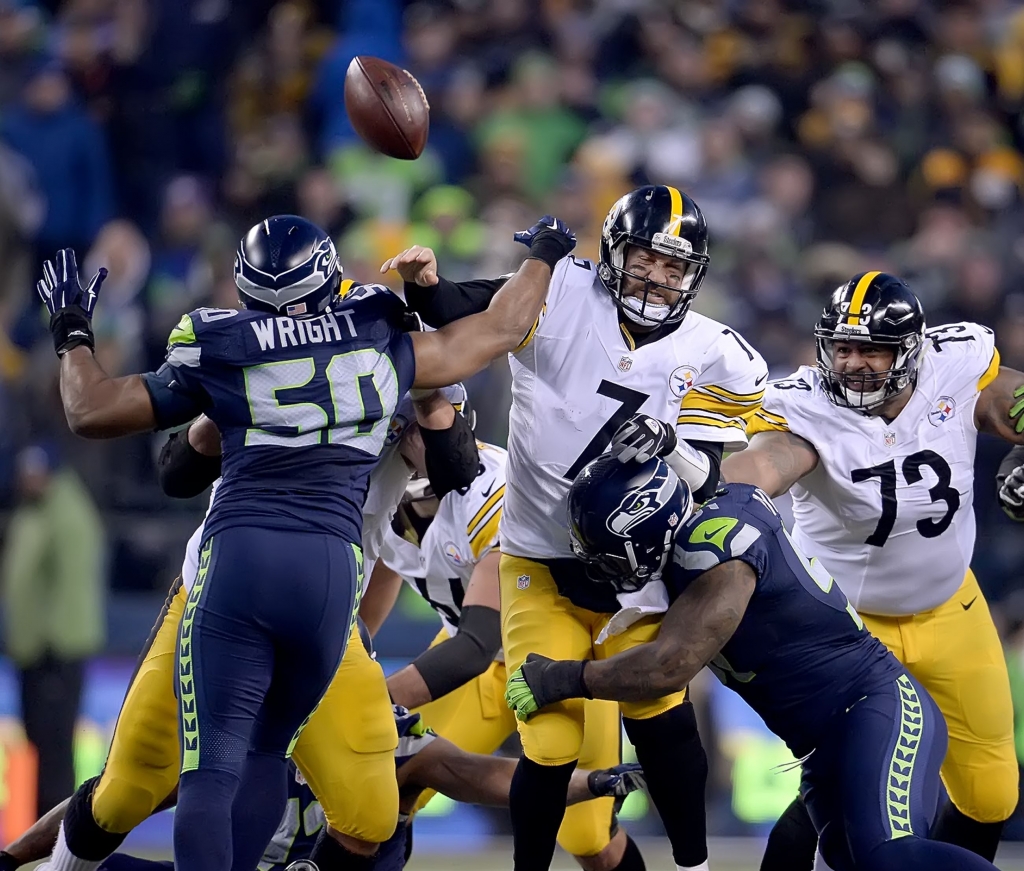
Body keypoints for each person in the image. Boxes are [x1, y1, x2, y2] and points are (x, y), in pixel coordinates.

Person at [35, 212, 575, 871]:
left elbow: (96, 414)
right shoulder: (380, 332)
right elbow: (500, 328)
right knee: (216, 763)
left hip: (242, 563)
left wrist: (72, 332)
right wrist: (545, 253)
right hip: (324, 575)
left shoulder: (228, 341)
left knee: (224, 771)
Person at [384, 184, 767, 871]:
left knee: (662, 706)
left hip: (639, 566)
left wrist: (670, 445)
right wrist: (428, 285)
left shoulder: (718, 352)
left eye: (674, 267)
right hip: (538, 558)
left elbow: (710, 476)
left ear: (694, 276)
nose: (657, 276)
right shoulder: (560, 288)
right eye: (646, 258)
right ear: (615, 253)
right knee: (549, 743)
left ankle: (694, 864)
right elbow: (461, 312)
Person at [505, 455, 1001, 871]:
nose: (603, 564)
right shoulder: (705, 525)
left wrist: (564, 677)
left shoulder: (718, 554)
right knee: (802, 856)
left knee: (888, 857)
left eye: (611, 552)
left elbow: (668, 666)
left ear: (650, 528)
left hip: (876, 709)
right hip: (826, 741)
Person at [719, 272, 1022, 866]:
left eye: (873, 349)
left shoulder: (954, 368)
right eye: (843, 347)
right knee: (832, 789)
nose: (854, 362)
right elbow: (769, 462)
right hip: (848, 632)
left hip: (951, 608)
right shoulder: (804, 405)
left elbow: (1010, 399)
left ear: (911, 350)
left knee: (991, 793)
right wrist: (707, 487)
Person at [1, 681, 647, 871]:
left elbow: (485, 776)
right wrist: (14, 855)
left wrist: (587, 783)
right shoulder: (242, 727)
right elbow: (109, 802)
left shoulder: (384, 734)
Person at [361, 433, 637, 871]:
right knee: (377, 792)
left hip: (556, 663)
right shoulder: (385, 488)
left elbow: (475, 645)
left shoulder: (497, 493)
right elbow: (386, 566)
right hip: (475, 658)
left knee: (589, 837)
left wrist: (363, 702)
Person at [0, 443, 105, 818]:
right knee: (41, 741)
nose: (28, 480)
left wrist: (53, 640)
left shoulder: (67, 516)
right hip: (33, 649)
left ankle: (59, 828)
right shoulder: (35, 513)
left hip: (56, 650)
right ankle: (45, 824)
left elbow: (70, 585)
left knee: (56, 745)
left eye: (35, 472)